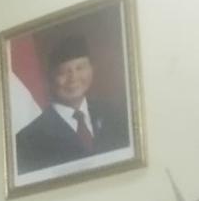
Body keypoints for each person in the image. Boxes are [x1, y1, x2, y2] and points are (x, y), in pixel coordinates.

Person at [14, 35, 130, 174]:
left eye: (80, 68)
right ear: (50, 78)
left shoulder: (115, 114)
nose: (73, 78)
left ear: (92, 69)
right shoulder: (28, 139)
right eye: (63, 72)